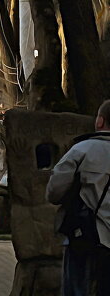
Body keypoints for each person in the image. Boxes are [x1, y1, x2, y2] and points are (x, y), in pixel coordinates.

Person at [47, 100, 110, 296]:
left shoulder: (81, 151)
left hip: (88, 237)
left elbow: (54, 192)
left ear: (100, 121)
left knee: (77, 288)